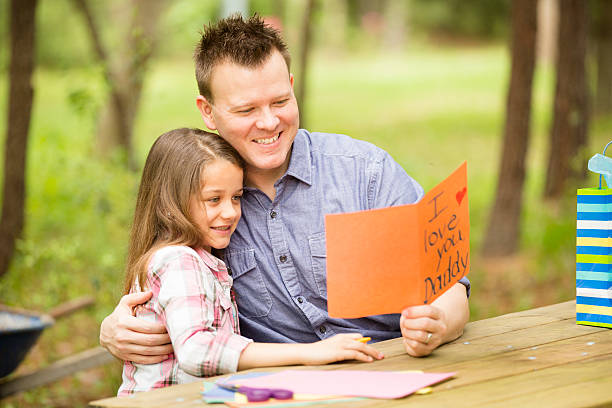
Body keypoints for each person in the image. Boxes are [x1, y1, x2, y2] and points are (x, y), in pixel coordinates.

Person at [100, 14, 470, 364]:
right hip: (278, 387)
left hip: (390, 365)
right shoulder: (203, 202)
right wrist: (114, 328)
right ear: (207, 112)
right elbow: (165, 282)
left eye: (280, 101)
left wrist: (439, 322)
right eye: (246, 111)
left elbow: (450, 284)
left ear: (292, 88)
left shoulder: (365, 173)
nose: (268, 122)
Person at [118, 128, 383, 395]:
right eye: (213, 199)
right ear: (168, 205)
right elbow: (197, 350)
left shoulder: (200, 259)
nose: (230, 212)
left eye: (236, 197)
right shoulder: (179, 261)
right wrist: (310, 353)